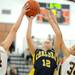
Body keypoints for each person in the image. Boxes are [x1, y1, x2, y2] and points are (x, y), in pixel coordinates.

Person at [26, 9, 61, 75]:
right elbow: (28, 38)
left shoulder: (54, 52)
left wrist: (50, 20)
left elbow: (58, 34)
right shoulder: (36, 52)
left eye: (49, 41)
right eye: (45, 41)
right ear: (41, 45)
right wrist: (30, 21)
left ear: (52, 45)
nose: (47, 41)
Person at [0, 4, 30, 75]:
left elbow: (14, 30)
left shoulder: (3, 47)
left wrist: (22, 14)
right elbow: (14, 30)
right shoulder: (3, 47)